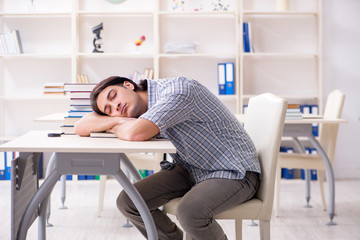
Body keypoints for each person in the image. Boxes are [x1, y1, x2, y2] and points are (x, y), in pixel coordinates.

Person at [74, 76, 261, 240]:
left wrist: (112, 122)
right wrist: (117, 121)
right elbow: (80, 126)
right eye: (108, 110)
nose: (115, 107)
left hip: (234, 171)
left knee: (190, 212)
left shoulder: (178, 91)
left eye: (113, 96)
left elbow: (135, 133)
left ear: (128, 85)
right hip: (191, 168)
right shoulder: (142, 109)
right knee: (129, 202)